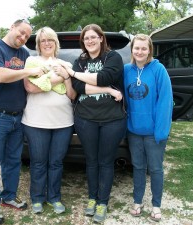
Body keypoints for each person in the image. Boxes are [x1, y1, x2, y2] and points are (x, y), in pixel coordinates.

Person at [0, 19, 45, 224]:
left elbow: (31, 80)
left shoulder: (24, 54)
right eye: (21, 32)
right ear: (12, 27)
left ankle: (8, 196)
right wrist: (28, 71)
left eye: (27, 36)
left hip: (18, 117)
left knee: (13, 161)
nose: (23, 38)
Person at [61, 24, 127, 223]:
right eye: (86, 38)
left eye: (93, 37)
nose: (89, 41)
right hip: (85, 119)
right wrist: (107, 90)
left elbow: (105, 76)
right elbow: (79, 87)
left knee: (105, 161)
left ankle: (102, 202)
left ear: (100, 38)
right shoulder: (80, 61)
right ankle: (92, 198)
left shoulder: (113, 57)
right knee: (91, 160)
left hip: (112, 119)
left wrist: (73, 74)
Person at [21, 27, 76, 214]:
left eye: (50, 39)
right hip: (36, 122)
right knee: (38, 162)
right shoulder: (32, 61)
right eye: (43, 40)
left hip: (64, 122)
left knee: (56, 163)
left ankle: (54, 197)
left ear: (55, 43)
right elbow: (30, 87)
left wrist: (66, 77)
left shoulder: (65, 63)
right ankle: (37, 198)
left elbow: (71, 94)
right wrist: (59, 77)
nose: (47, 43)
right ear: (38, 44)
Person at [123, 34, 173, 222]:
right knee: (137, 167)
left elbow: (165, 101)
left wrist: (161, 131)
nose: (140, 52)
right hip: (134, 130)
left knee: (155, 169)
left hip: (154, 132)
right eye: (136, 48)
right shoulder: (126, 70)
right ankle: (137, 201)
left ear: (149, 50)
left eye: (144, 48)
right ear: (132, 50)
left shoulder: (158, 70)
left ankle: (156, 205)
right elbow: (123, 99)